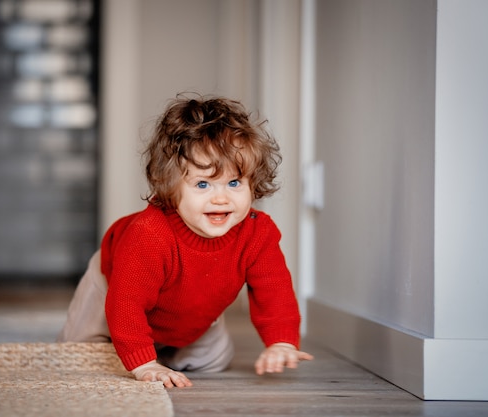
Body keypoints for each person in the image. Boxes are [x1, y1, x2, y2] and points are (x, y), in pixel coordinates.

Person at [57, 94, 313, 388]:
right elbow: (126, 303)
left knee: (215, 360)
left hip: (190, 305)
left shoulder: (259, 233)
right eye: (202, 184)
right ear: (170, 185)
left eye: (234, 182)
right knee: (78, 356)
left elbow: (274, 290)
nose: (221, 197)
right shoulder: (148, 234)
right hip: (115, 286)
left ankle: (162, 352)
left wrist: (281, 341)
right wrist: (144, 365)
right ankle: (142, 352)